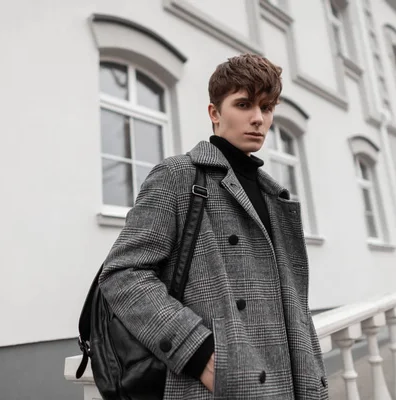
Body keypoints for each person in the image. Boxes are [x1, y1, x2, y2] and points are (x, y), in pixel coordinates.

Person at [99, 53, 328, 399]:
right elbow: (122, 274)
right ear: (215, 113)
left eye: (266, 108)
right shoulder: (179, 176)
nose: (257, 119)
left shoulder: (274, 197)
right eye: (244, 104)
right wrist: (197, 352)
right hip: (220, 384)